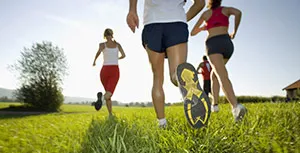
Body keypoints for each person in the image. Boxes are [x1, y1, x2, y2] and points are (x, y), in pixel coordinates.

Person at [127, 0, 209, 128]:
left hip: (152, 24)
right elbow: (200, 3)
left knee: (157, 78)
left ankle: (162, 123)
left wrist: (132, 10)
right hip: (176, 24)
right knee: (176, 74)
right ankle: (186, 81)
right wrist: (182, 18)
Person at [191, 0, 246, 121]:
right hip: (227, 43)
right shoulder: (226, 10)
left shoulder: (206, 14)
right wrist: (234, 32)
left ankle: (235, 107)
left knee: (221, 75)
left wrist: (203, 28)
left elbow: (192, 32)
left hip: (213, 44)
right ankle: (214, 105)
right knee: (214, 75)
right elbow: (238, 13)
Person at [92, 28, 126, 116]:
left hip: (104, 71)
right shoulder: (118, 45)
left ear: (105, 36)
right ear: (112, 35)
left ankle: (110, 114)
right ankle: (101, 100)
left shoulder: (102, 45)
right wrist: (117, 58)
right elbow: (124, 55)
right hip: (114, 70)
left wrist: (94, 61)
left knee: (108, 93)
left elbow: (98, 53)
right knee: (109, 94)